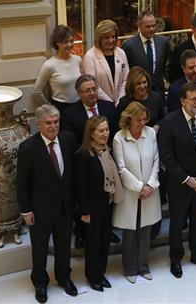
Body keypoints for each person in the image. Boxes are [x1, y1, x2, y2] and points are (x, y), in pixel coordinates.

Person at [17, 105, 78, 303]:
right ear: (39, 124)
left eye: (56, 122)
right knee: (40, 249)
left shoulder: (68, 140)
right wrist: (26, 210)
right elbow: (22, 183)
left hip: (65, 208)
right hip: (40, 209)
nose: (53, 126)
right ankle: (40, 283)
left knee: (63, 247)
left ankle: (64, 278)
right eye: (48, 123)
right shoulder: (28, 148)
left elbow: (73, 175)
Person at [158, 82, 196, 278]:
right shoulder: (169, 122)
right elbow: (167, 157)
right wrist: (186, 179)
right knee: (177, 223)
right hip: (179, 184)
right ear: (183, 101)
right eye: (194, 99)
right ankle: (176, 259)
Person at [61, 75, 117, 249]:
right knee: (84, 200)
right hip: (84, 163)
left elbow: (113, 133)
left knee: (106, 198)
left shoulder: (108, 107)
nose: (92, 93)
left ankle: (108, 231)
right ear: (79, 93)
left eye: (94, 89)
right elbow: (71, 142)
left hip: (107, 160)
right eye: (87, 90)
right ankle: (80, 234)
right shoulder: (70, 113)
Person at [112, 102, 162, 284]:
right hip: (131, 193)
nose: (143, 123)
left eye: (144, 119)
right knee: (130, 232)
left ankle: (143, 266)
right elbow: (121, 168)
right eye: (139, 120)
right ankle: (130, 268)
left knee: (145, 230)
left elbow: (156, 160)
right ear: (129, 119)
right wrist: (140, 187)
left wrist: (150, 185)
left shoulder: (150, 133)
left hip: (150, 190)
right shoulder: (119, 137)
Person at [74, 116, 123, 292]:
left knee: (104, 241)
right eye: (100, 131)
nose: (105, 134)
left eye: (107, 129)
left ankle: (101, 273)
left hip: (107, 203)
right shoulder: (84, 155)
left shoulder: (106, 150)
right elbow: (80, 187)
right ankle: (92, 276)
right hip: (91, 208)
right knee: (93, 243)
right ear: (91, 133)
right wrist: (84, 211)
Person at [33, 25, 81, 114]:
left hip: (79, 106)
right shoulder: (50, 65)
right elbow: (36, 91)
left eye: (71, 41)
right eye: (66, 42)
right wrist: (50, 109)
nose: (70, 45)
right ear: (58, 43)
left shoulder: (77, 59)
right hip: (61, 109)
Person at [122, 10, 169, 96]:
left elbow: (163, 67)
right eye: (148, 26)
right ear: (139, 26)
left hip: (159, 93)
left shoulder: (163, 42)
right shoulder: (129, 45)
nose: (152, 29)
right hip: (138, 94)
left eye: (154, 26)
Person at [83, 19, 129, 105]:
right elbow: (92, 85)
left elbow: (126, 79)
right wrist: (110, 103)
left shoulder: (121, 53)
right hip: (101, 103)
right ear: (99, 38)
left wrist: (119, 100)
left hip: (121, 102)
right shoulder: (90, 56)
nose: (111, 40)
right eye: (107, 37)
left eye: (113, 36)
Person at [116, 66, 166, 132]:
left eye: (144, 82)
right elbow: (119, 125)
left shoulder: (156, 98)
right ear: (132, 85)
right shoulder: (124, 102)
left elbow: (164, 118)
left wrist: (157, 127)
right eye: (138, 83)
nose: (142, 86)